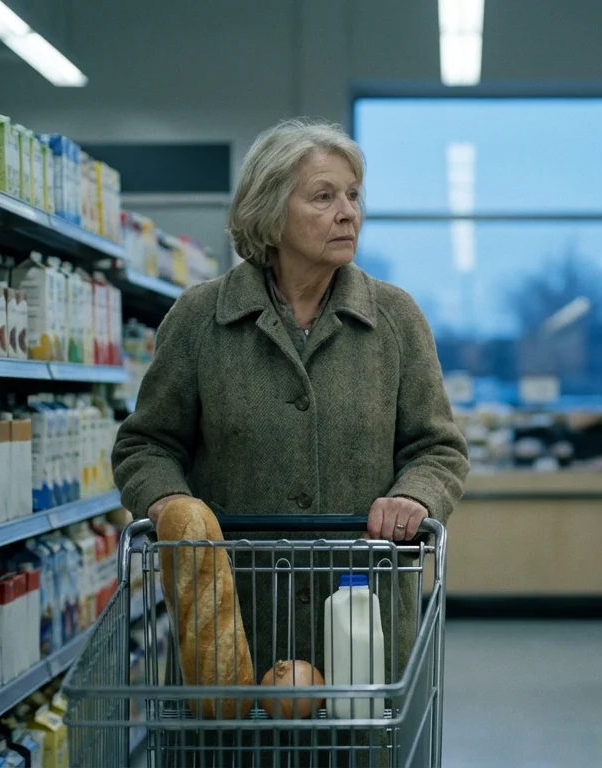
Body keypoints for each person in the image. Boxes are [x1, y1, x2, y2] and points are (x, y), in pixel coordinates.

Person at [112, 117, 469, 710]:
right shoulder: (202, 319)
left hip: (365, 624)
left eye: (353, 196)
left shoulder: (396, 319)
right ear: (271, 212)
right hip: (236, 626)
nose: (348, 212)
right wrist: (173, 506)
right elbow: (145, 445)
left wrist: (417, 495)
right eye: (324, 196)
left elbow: (439, 447)